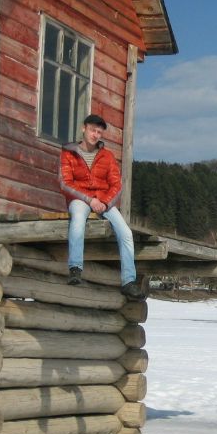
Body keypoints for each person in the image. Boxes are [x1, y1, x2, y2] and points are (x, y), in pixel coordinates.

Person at [59, 114, 145, 300]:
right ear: (84, 129)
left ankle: (128, 281)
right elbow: (65, 184)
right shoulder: (68, 152)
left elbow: (117, 185)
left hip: (104, 201)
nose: (95, 135)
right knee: (78, 221)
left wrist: (105, 202)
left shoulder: (107, 156)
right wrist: (90, 200)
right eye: (93, 130)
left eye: (99, 132)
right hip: (81, 199)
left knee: (126, 232)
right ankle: (75, 268)